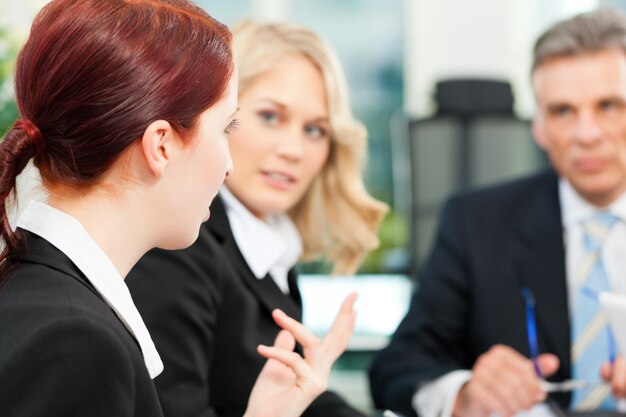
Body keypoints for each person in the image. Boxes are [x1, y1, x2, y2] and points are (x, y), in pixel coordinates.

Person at [0, 2, 357, 416]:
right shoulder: (75, 341)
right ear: (162, 145)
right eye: (227, 129)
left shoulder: (44, 298)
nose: (227, 166)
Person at [369, 8, 626, 417]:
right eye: (563, 111)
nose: (586, 134)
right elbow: (396, 368)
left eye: (609, 106)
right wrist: (464, 393)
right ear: (538, 126)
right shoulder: (476, 222)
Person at [126, 18, 388, 417]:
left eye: (315, 130)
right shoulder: (179, 245)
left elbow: (296, 399)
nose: (293, 150)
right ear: (220, 116)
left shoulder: (271, 243)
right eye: (270, 116)